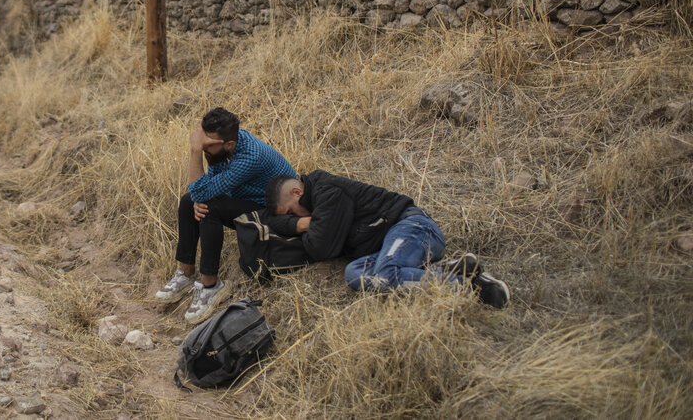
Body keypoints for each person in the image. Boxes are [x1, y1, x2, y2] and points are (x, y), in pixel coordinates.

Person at [264, 171, 510, 307]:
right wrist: (298, 222)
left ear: (297, 192)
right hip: (393, 246)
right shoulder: (315, 198)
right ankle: (447, 271)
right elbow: (270, 220)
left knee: (384, 276)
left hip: (413, 227)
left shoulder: (327, 193)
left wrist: (300, 224)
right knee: (354, 273)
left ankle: (474, 288)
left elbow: (319, 248)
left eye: (291, 212)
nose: (295, 219)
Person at [154, 107, 297, 323]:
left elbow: (202, 191)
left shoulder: (250, 157)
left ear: (229, 144)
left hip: (273, 213)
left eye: (206, 144)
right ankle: (186, 273)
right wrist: (198, 197)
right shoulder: (225, 147)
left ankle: (211, 285)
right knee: (188, 201)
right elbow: (203, 188)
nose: (202, 146)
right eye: (201, 141)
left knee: (208, 206)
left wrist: (195, 152)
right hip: (249, 203)